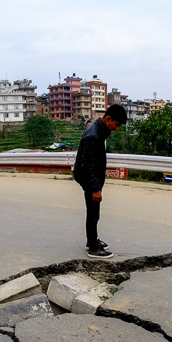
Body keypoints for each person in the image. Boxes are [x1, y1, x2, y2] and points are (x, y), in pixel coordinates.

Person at [72, 104, 127, 259]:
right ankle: (93, 248)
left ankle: (92, 241)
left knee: (93, 211)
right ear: (108, 118)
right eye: (115, 125)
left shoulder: (99, 128)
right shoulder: (94, 135)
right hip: (89, 177)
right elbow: (88, 165)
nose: (116, 128)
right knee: (93, 212)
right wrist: (95, 188)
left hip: (90, 176)